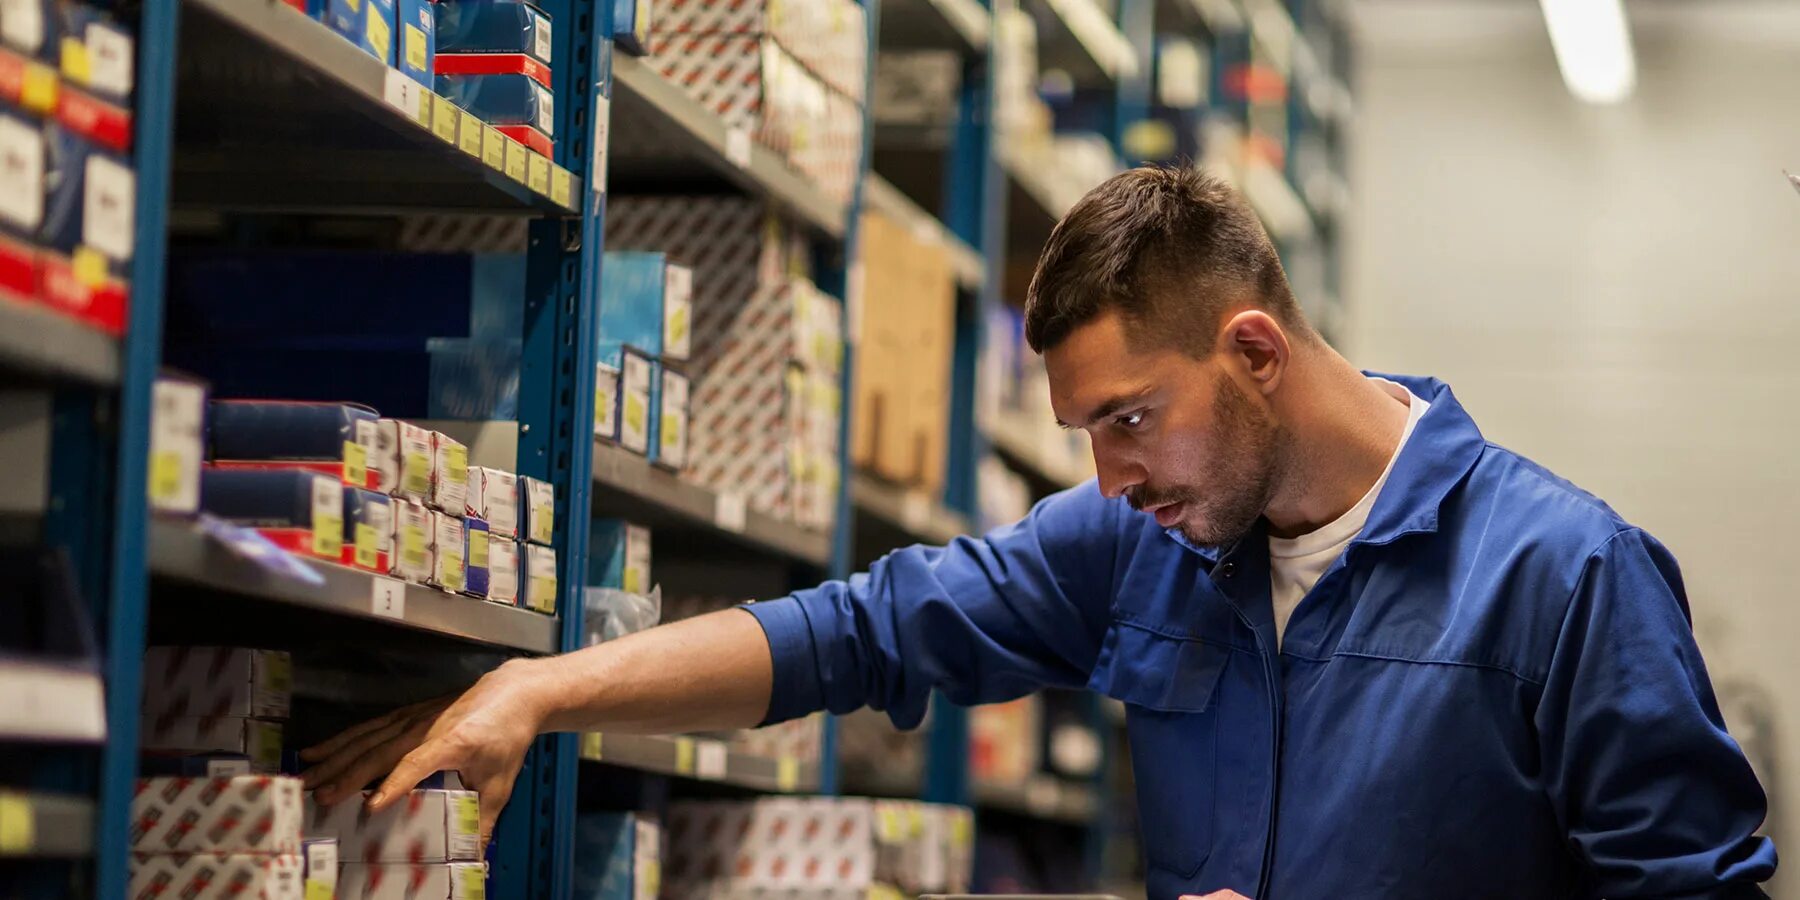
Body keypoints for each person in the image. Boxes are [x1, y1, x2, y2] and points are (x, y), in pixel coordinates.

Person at [301, 166, 1777, 899]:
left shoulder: (1564, 576)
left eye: (1130, 416)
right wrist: (538, 689)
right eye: (1085, 434)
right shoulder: (1145, 540)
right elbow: (861, 632)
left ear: (1255, 350)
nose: (1109, 472)